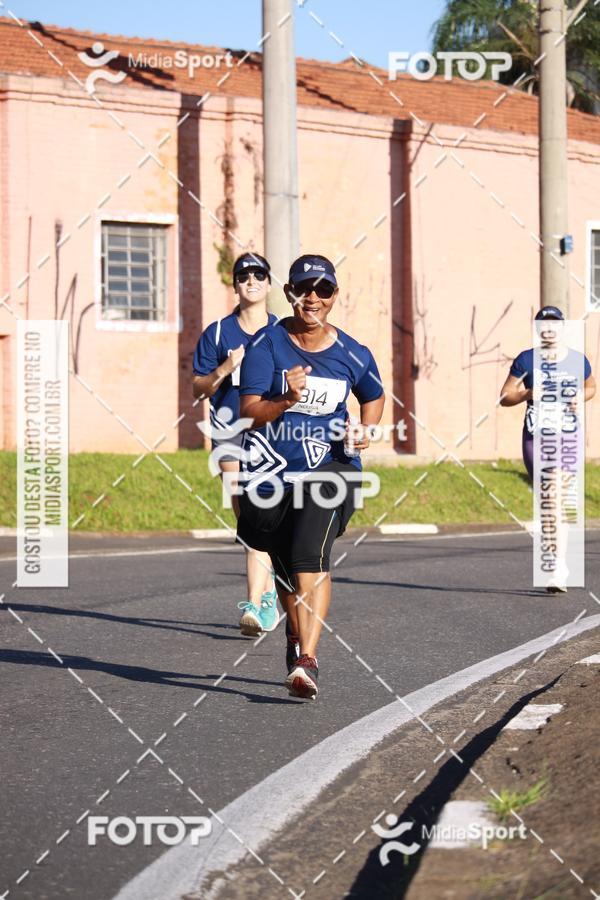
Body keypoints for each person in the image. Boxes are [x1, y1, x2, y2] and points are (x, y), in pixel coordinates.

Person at [236, 254, 385, 699]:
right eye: (304, 289)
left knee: (308, 555)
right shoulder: (268, 345)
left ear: (334, 296)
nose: (313, 298)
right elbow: (250, 413)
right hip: (273, 471)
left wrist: (365, 428)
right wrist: (285, 398)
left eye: (323, 290)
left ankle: (308, 660)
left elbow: (374, 395)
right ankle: (293, 636)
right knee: (278, 557)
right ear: (290, 294)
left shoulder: (353, 353)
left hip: (332, 469)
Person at [192, 252, 279, 635]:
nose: (251, 280)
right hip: (229, 429)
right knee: (245, 515)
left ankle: (258, 605)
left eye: (259, 274)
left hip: (270, 431)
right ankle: (269, 598)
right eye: (244, 275)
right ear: (236, 285)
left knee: (259, 515)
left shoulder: (281, 331)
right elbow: (198, 388)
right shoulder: (217, 332)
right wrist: (227, 367)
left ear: (269, 284)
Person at [500, 305, 596, 591]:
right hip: (535, 437)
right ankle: (559, 561)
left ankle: (556, 566)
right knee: (548, 503)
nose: (550, 329)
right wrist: (528, 393)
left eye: (555, 325)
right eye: (544, 325)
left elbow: (592, 387)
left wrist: (581, 395)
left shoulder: (578, 361)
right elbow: (505, 396)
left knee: (554, 497)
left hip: (566, 438)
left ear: (563, 328)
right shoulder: (526, 360)